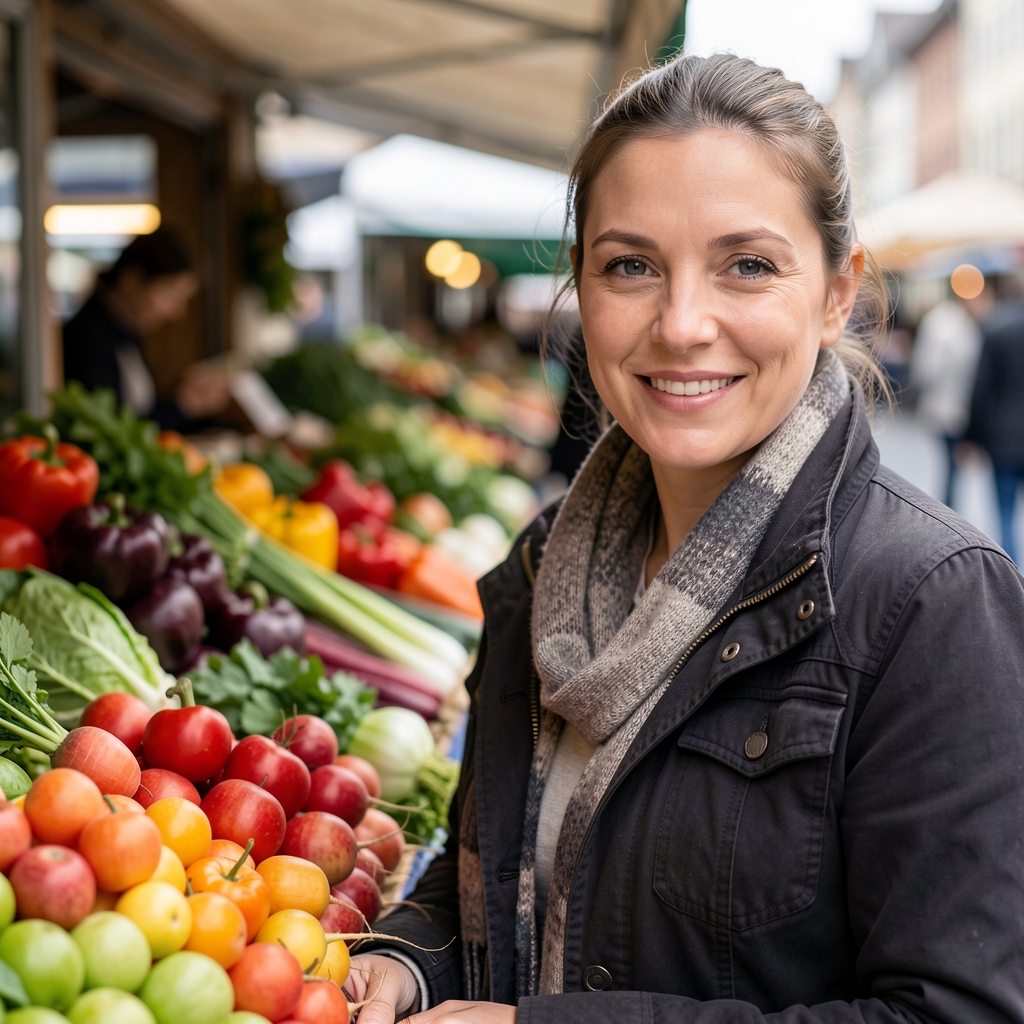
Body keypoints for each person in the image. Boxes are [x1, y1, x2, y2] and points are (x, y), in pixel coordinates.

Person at [346, 54, 1024, 1024]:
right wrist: (407, 961)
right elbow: (490, 886)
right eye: (631, 265)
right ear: (580, 284)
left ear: (837, 291)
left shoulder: (932, 603)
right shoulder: (540, 571)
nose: (682, 322)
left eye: (745, 264)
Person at [62, 228, 229, 429]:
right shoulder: (86, 337)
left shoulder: (126, 332)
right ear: (132, 281)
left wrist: (185, 398)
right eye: (171, 295)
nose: (176, 312)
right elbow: (108, 431)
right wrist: (181, 406)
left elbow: (137, 412)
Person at [909, 283, 993, 507]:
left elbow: (925, 369)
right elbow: (929, 369)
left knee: (953, 466)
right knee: (952, 465)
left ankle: (949, 511)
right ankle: (949, 512)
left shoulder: (971, 324)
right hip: (949, 408)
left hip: (957, 408)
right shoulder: (947, 324)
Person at [966, 297, 1024, 565]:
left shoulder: (997, 330)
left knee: (1004, 513)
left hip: (1005, 438)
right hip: (1006, 438)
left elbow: (981, 391)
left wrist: (973, 436)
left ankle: (1014, 580)